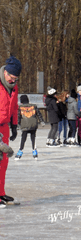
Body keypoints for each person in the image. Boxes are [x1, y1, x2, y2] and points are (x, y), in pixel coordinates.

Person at [0, 56, 21, 207]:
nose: (13, 81)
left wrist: (14, 125)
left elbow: (14, 107)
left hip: (5, 127)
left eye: (16, 78)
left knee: (4, 161)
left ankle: (1, 192)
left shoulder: (14, 87)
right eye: (12, 78)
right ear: (5, 72)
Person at [14, 95, 45, 160]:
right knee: (33, 138)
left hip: (25, 125)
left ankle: (20, 152)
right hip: (33, 124)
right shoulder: (33, 106)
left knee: (23, 139)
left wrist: (17, 124)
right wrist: (41, 121)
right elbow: (39, 114)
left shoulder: (20, 108)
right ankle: (35, 152)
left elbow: (18, 117)